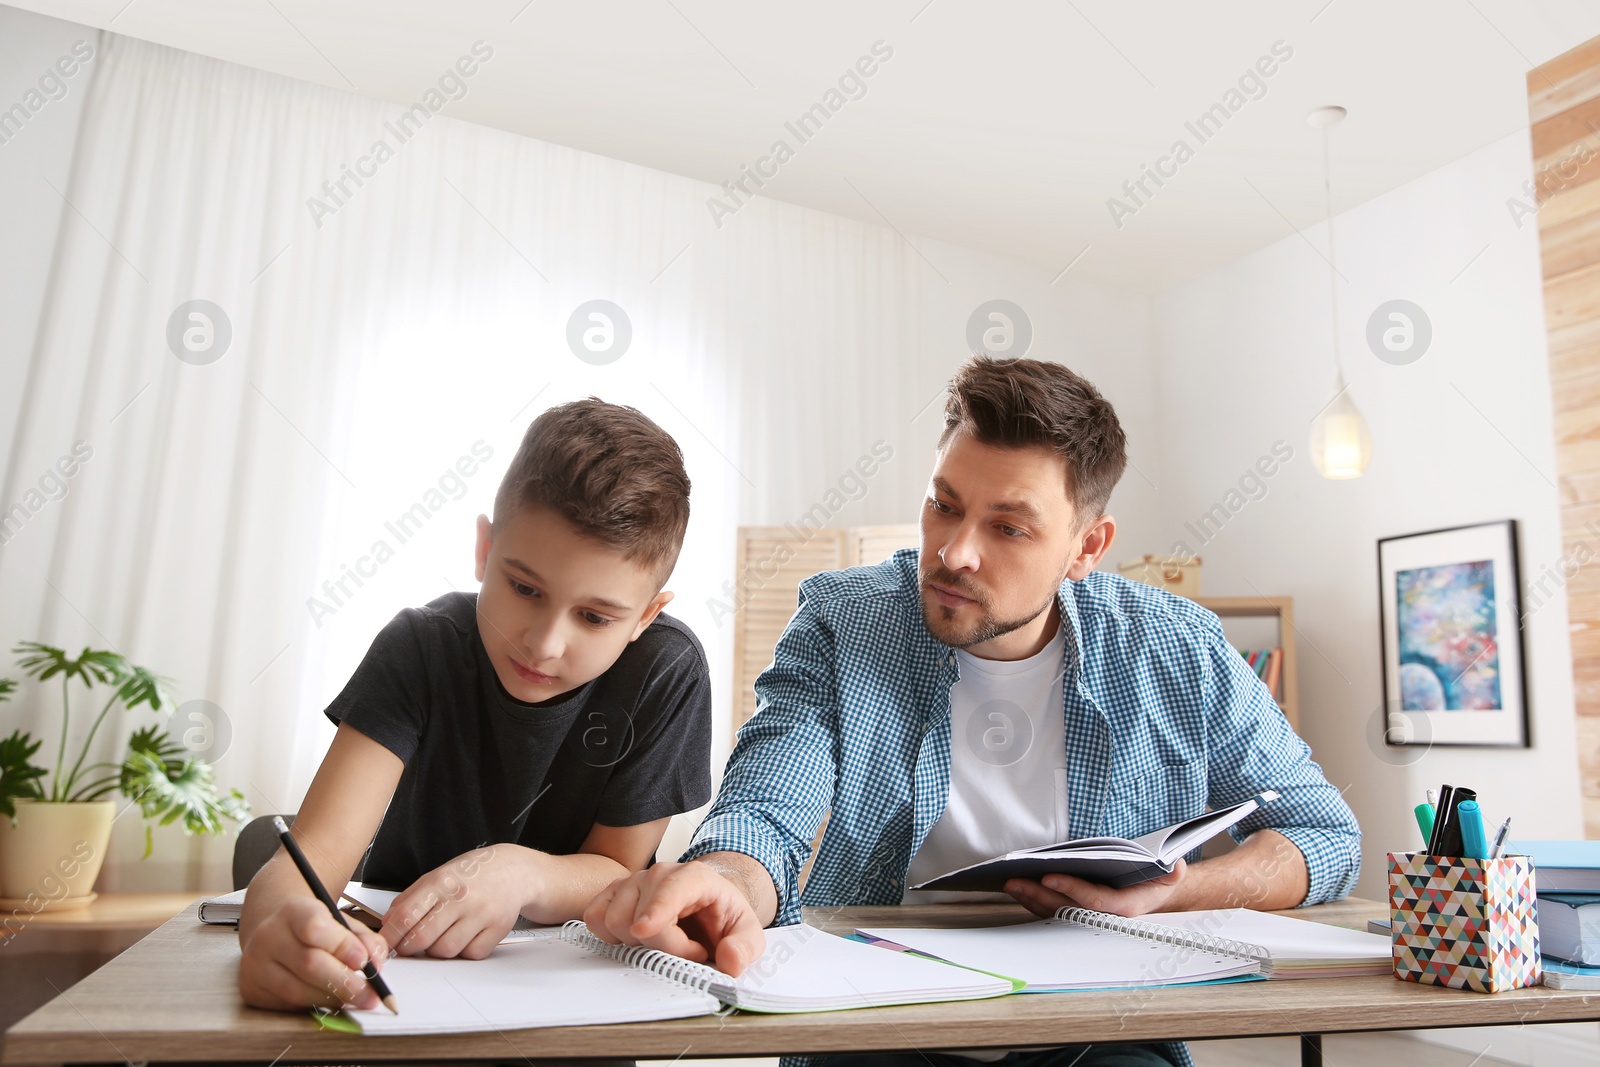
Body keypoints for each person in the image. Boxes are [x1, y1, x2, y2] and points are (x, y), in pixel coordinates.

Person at [584, 357, 1360, 1067]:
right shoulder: (842, 619)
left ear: (1086, 546)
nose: (955, 551)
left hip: (1099, 1026)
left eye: (1008, 527)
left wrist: (1174, 891)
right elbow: (766, 814)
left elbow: (1324, 835)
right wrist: (725, 881)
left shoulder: (1175, 647)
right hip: (881, 1017)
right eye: (944, 505)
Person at [239, 399, 713, 1012]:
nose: (543, 645)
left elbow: (617, 869)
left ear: (646, 616)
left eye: (595, 617)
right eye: (524, 588)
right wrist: (279, 923)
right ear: (485, 549)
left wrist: (523, 872)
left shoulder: (665, 670)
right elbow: (315, 854)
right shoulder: (421, 646)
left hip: (569, 1000)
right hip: (404, 979)